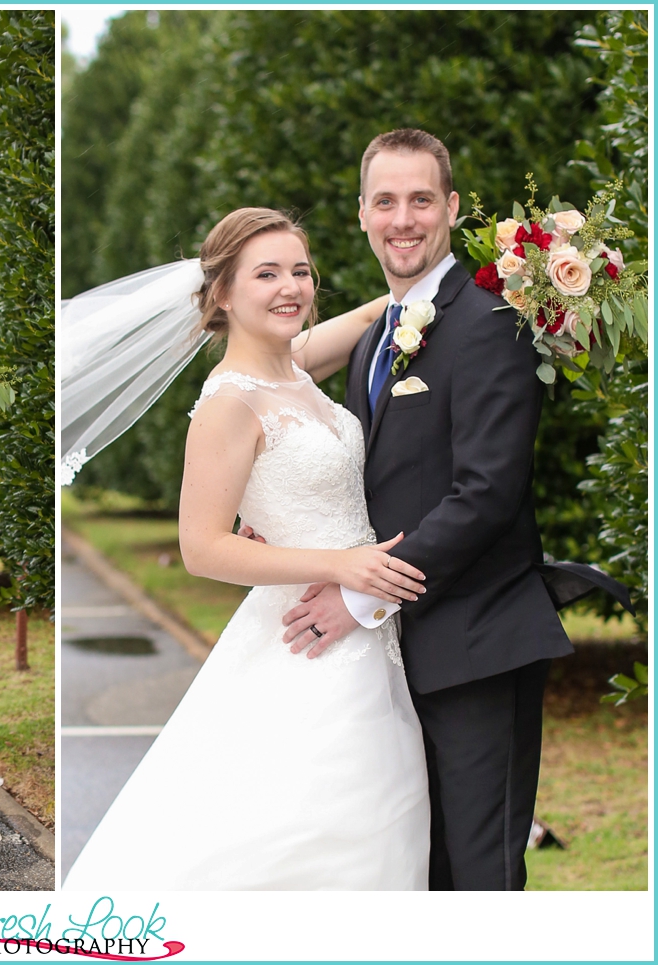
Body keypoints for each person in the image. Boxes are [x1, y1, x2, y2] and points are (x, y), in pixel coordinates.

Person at [62, 207, 432, 890]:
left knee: (378, 821)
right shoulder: (228, 402)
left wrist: (469, 275)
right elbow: (201, 547)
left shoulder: (296, 368)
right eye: (266, 273)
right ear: (222, 294)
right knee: (311, 827)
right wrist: (341, 564)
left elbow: (393, 305)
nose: (291, 286)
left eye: (300, 270)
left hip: (367, 630)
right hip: (306, 635)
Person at [277, 129, 574, 890]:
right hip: (391, 663)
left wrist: (360, 591)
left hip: (479, 646)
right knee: (415, 873)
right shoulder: (377, 334)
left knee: (477, 878)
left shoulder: (494, 321)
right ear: (362, 214)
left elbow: (485, 494)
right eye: (385, 201)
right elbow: (363, 478)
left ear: (450, 207)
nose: (401, 219)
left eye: (419, 199)